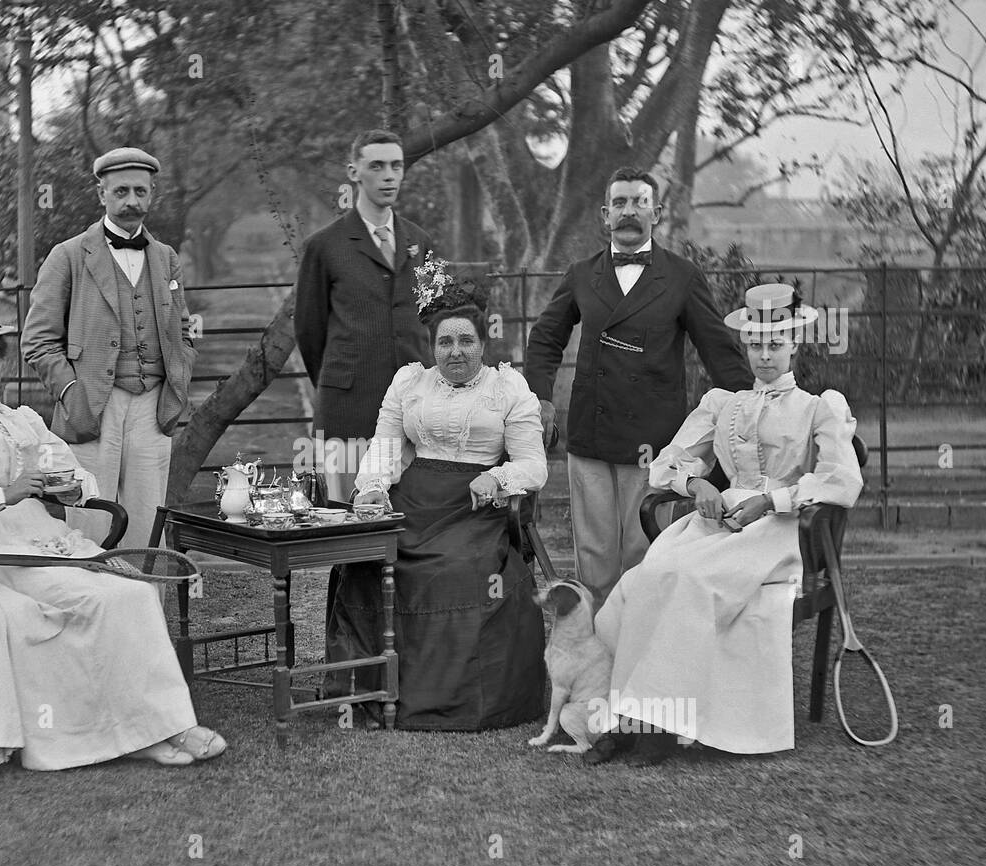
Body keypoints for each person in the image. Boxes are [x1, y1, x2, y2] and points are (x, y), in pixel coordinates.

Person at [0, 307, 225, 769]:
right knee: (97, 601)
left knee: (134, 591)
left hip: (48, 538)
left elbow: (71, 472)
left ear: (2, 360)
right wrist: (2, 494)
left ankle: (164, 724)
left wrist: (74, 488)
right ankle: (146, 735)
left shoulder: (24, 420)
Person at [587, 284, 863, 765]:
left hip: (781, 528)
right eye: (755, 345)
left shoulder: (819, 407)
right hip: (718, 523)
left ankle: (658, 725)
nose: (764, 356)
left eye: (775, 344)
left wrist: (771, 500)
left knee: (692, 582)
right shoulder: (722, 403)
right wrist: (697, 487)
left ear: (795, 343)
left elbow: (841, 481)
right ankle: (628, 718)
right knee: (647, 578)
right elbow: (665, 463)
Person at [325, 270, 548, 730]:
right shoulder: (410, 383)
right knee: (363, 559)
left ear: (484, 343)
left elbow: (535, 466)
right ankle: (368, 692)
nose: (456, 352)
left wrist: (498, 478)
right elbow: (384, 446)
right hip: (415, 501)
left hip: (477, 509)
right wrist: (371, 489)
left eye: (466, 340)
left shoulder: (509, 388)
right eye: (445, 343)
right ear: (432, 347)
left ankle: (450, 701)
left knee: (456, 569)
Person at [524, 166, 754, 603]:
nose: (630, 211)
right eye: (622, 203)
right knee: (593, 560)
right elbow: (545, 338)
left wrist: (752, 404)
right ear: (605, 214)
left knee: (644, 556)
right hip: (590, 437)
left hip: (653, 442)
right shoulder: (580, 274)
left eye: (640, 202)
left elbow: (718, 351)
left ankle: (643, 660)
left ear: (657, 212)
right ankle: (601, 661)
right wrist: (541, 401)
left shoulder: (682, 276)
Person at [22, 146, 197, 550]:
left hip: (154, 408)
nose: (131, 201)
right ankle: (90, 608)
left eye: (140, 191)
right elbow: (37, 340)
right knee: (89, 527)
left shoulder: (166, 258)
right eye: (120, 191)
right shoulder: (68, 256)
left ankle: (140, 610)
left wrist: (179, 376)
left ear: (152, 194)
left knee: (145, 530)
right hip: (93, 408)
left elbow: (183, 330)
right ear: (101, 194)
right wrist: (72, 392)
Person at [294, 128, 436, 502]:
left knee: (409, 521)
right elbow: (309, 333)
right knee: (345, 525)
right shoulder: (324, 246)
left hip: (413, 413)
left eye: (396, 165)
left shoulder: (420, 241)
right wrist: (340, 379)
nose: (388, 175)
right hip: (348, 412)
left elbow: (434, 319)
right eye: (376, 166)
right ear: (354, 172)